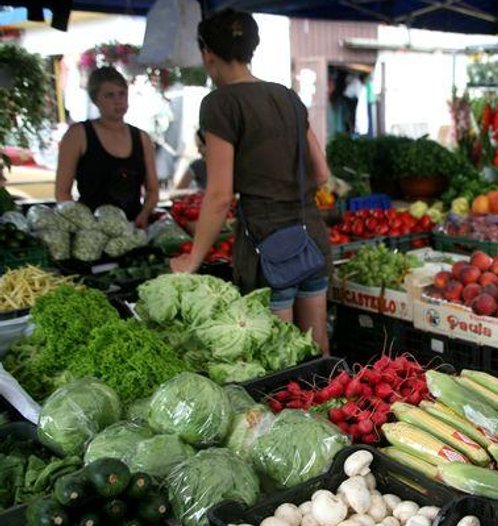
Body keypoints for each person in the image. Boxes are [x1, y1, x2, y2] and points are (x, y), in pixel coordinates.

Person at [170, 9, 332, 354]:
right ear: (251, 50)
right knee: (318, 349)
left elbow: (218, 194)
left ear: (207, 54)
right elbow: (321, 173)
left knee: (278, 357)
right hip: (311, 236)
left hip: (266, 244)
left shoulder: (220, 104)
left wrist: (193, 260)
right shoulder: (288, 97)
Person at [55, 66, 159, 227]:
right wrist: (86, 226)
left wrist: (144, 214)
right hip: (90, 230)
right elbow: (62, 192)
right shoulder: (78, 135)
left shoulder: (142, 138)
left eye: (122, 94)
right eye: (110, 95)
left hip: (132, 228)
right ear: (95, 99)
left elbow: (152, 190)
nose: (118, 101)